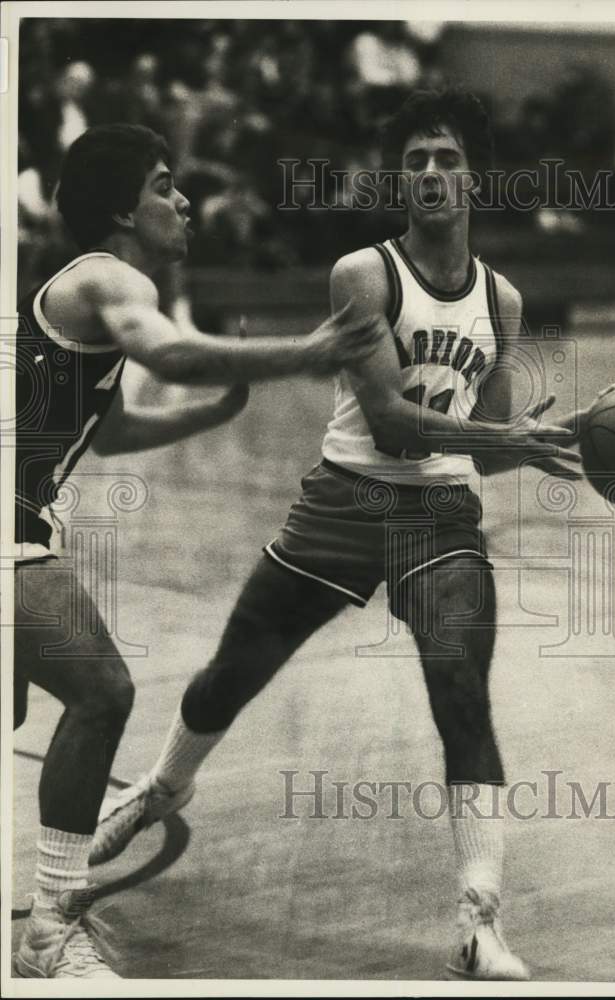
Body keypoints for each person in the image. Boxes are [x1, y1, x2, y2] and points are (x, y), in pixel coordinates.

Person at [91, 92, 615, 980]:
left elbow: (482, 451)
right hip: (344, 501)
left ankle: (479, 920)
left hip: (440, 517)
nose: (428, 174)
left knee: (460, 692)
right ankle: (160, 789)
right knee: (230, 677)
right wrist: (504, 438)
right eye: (414, 160)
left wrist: (542, 437)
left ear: (474, 176)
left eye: (446, 158)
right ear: (395, 178)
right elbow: (387, 421)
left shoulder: (504, 299)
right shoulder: (362, 274)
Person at [12, 123, 380, 980]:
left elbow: (109, 430)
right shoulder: (109, 275)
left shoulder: (86, 295)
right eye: (164, 185)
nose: (182, 202)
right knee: (101, 692)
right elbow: (166, 349)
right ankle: (46, 933)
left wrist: (209, 416)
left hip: (22, 515)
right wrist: (308, 350)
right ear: (121, 210)